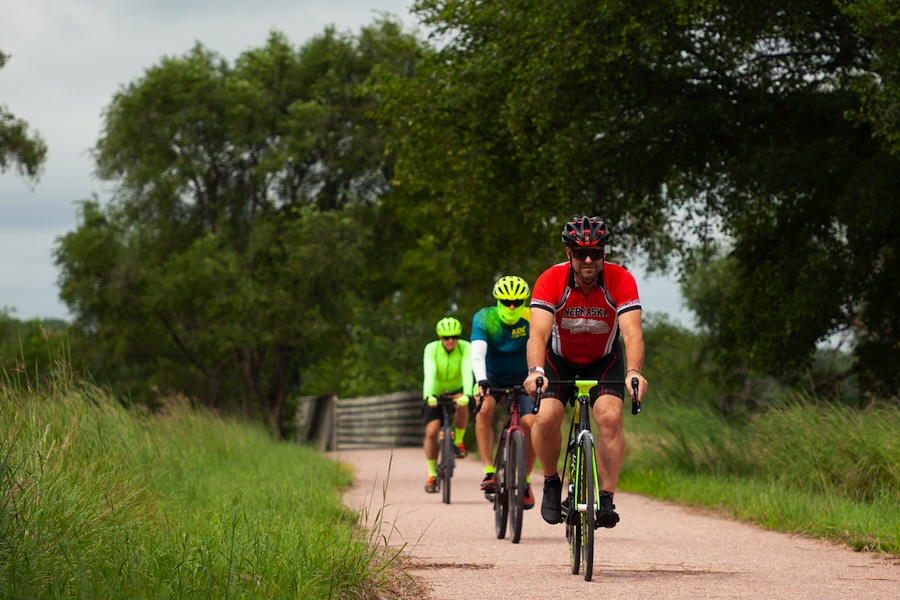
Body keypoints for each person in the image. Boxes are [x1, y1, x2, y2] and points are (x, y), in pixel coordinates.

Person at [523, 216, 648, 527]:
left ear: (604, 253)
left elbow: (632, 333)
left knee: (609, 418)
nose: (589, 259)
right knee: (547, 416)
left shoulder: (620, 279)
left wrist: (634, 371)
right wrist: (536, 370)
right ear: (569, 254)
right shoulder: (551, 280)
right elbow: (537, 333)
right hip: (559, 359)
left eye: (596, 252)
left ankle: (606, 497)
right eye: (581, 253)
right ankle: (551, 481)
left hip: (603, 359)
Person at [471, 275, 537, 509]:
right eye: (507, 301)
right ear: (498, 300)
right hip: (491, 376)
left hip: (525, 377)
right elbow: (477, 353)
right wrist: (481, 380)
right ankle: (489, 471)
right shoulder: (485, 317)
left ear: (524, 302)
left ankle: (526, 480)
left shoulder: (532, 316)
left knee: (531, 423)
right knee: (485, 409)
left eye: (517, 302)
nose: (512, 306)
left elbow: (545, 346)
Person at [422, 316, 474, 493]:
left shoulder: (466, 347)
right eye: (446, 337)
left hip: (457, 389)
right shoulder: (431, 349)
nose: (450, 340)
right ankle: (431, 474)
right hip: (435, 392)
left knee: (463, 405)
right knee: (431, 432)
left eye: (454, 337)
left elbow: (467, 370)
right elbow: (429, 372)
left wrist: (467, 394)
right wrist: (428, 395)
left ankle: (458, 442)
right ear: (440, 338)